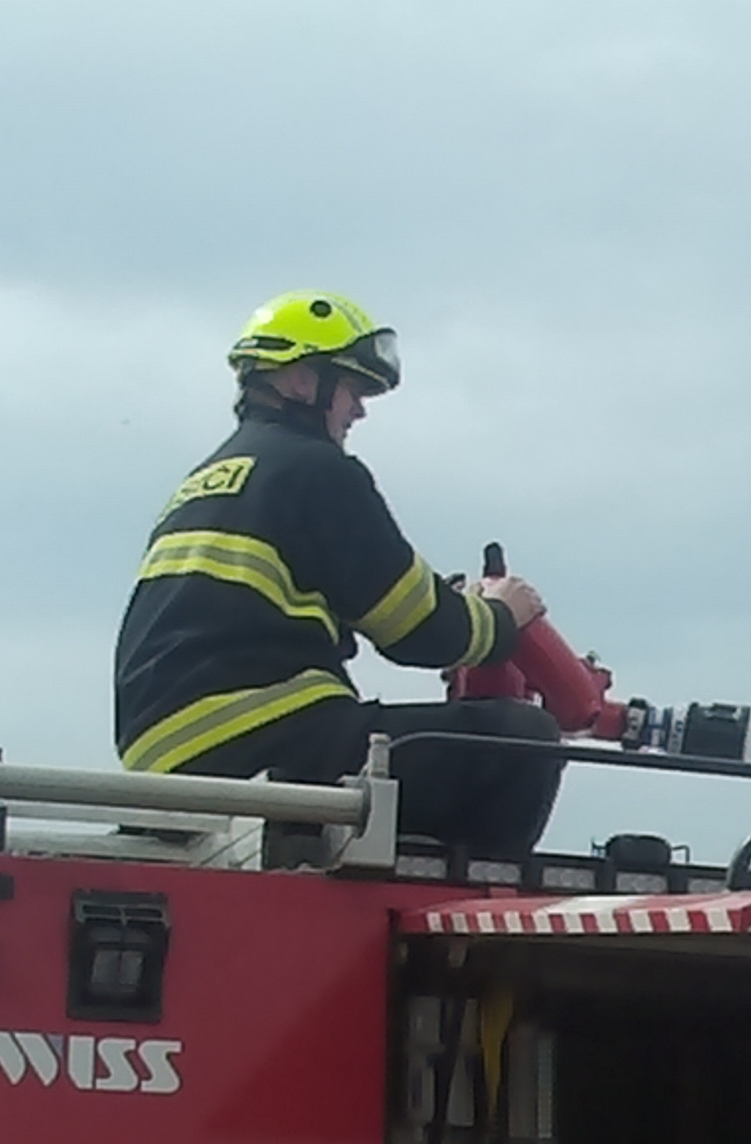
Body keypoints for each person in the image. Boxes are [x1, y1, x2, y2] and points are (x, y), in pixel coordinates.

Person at [113, 293, 567, 861]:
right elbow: (419, 630)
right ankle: (452, 904)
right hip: (258, 735)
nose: (360, 410)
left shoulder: (211, 477)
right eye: (352, 388)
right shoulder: (318, 470)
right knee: (521, 741)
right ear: (302, 380)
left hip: (167, 755)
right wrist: (503, 614)